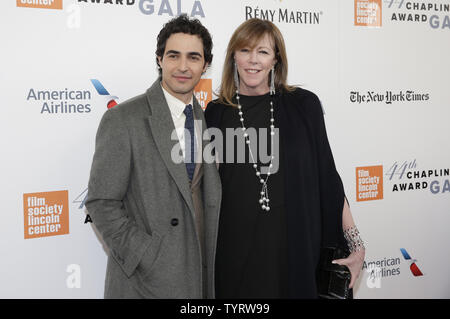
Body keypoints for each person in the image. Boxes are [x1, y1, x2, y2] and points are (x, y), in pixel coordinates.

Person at [205, 18, 365, 298]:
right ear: (233, 56)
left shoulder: (304, 105)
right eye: (245, 50)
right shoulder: (216, 113)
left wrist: (356, 243)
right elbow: (205, 188)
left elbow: (327, 177)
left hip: (296, 249)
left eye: (263, 52)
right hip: (235, 253)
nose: (253, 60)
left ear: (276, 60)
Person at [85, 14, 221, 299]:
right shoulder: (123, 119)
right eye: (174, 55)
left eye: (193, 57)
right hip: (142, 285)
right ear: (159, 59)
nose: (183, 67)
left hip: (197, 280)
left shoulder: (206, 120)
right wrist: (145, 255)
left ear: (205, 65)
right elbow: (101, 202)